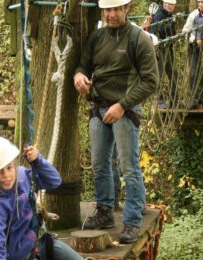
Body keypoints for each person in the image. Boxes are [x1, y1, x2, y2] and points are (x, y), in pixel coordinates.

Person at [74, 0, 158, 244]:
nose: (111, 15)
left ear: (126, 9)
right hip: (99, 107)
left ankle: (132, 221)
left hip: (125, 109)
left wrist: (122, 105)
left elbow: (151, 81)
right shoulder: (97, 38)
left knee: (128, 166)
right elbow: (83, 65)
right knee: (99, 163)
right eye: (107, 10)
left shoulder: (138, 39)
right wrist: (79, 76)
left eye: (115, 10)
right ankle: (104, 211)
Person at [0, 136, 83, 259]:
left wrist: (37, 161)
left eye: (9, 168)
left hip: (42, 243)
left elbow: (54, 181)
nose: (7, 175)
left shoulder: (22, 177)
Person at [150, 0, 179, 109]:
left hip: (168, 48)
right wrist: (172, 22)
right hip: (160, 49)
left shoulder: (169, 15)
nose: (171, 7)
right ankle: (160, 100)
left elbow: (171, 32)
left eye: (172, 5)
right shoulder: (159, 15)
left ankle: (174, 100)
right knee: (159, 74)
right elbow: (159, 30)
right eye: (169, 4)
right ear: (164, 4)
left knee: (173, 74)